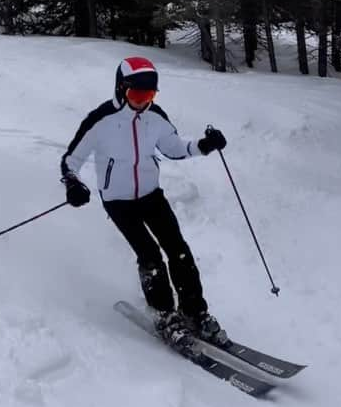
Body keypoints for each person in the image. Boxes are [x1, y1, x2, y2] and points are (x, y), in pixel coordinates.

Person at [60, 55, 228, 354]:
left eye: (150, 95)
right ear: (121, 89)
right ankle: (166, 316)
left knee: (179, 249)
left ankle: (194, 312)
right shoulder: (100, 121)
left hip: (151, 195)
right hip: (118, 200)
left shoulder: (156, 116)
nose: (143, 101)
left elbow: (174, 148)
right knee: (150, 256)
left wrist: (203, 146)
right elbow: (70, 160)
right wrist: (73, 183)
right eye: (137, 94)